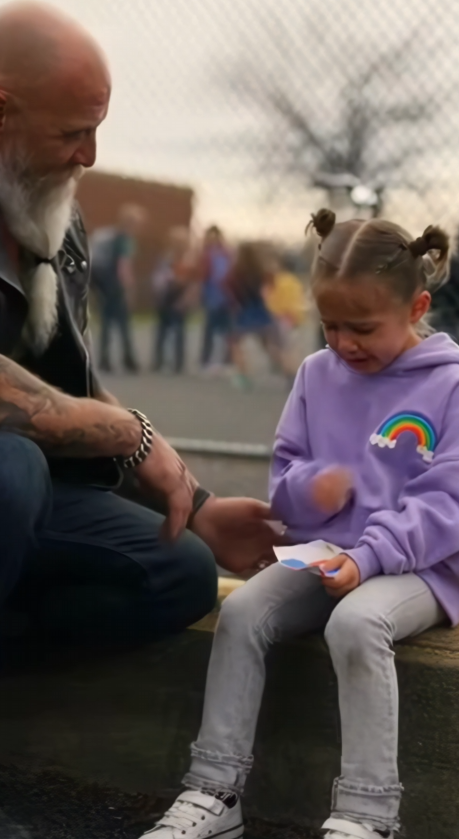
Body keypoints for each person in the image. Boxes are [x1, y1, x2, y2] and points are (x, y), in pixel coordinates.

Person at [0, 5, 279, 837]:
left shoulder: (49, 205)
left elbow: (69, 387)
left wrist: (195, 502)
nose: (90, 154)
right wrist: (130, 433)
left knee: (175, 569)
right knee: (2, 468)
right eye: (73, 133)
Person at [143, 209, 459, 839]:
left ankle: (368, 816)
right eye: (330, 325)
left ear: (417, 306)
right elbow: (286, 478)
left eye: (362, 328)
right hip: (328, 554)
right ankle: (215, 792)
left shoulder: (448, 384)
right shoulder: (317, 374)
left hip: (423, 566)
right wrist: (308, 491)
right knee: (241, 612)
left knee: (357, 623)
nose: (344, 343)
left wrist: (369, 557)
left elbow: (447, 504)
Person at [91, 203, 146, 372]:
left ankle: (104, 359)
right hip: (115, 286)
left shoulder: (107, 235)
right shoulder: (125, 240)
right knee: (123, 323)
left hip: (102, 284)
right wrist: (129, 289)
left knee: (107, 322)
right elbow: (124, 266)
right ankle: (128, 359)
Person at [226, 243, 283, 389]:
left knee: (236, 344)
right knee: (269, 343)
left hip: (243, 309)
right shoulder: (259, 271)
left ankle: (243, 376)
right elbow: (271, 284)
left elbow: (227, 287)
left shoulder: (236, 272)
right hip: (259, 308)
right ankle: (288, 372)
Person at [152, 226, 195, 374]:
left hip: (180, 295)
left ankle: (178, 363)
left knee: (179, 330)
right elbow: (159, 277)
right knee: (162, 330)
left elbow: (192, 281)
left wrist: (186, 298)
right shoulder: (166, 258)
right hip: (166, 295)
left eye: (181, 242)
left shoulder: (189, 260)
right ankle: (158, 360)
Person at [264, 252, 308, 376]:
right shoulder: (294, 281)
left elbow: (270, 300)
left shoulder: (277, 281)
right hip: (294, 317)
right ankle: (292, 369)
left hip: (282, 317)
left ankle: (289, 370)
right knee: (291, 346)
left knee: (282, 346)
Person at [199, 225, 232, 371]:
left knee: (229, 330)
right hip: (212, 295)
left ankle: (228, 360)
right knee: (210, 329)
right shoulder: (205, 254)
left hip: (227, 296)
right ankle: (206, 359)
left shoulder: (227, 254)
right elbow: (203, 275)